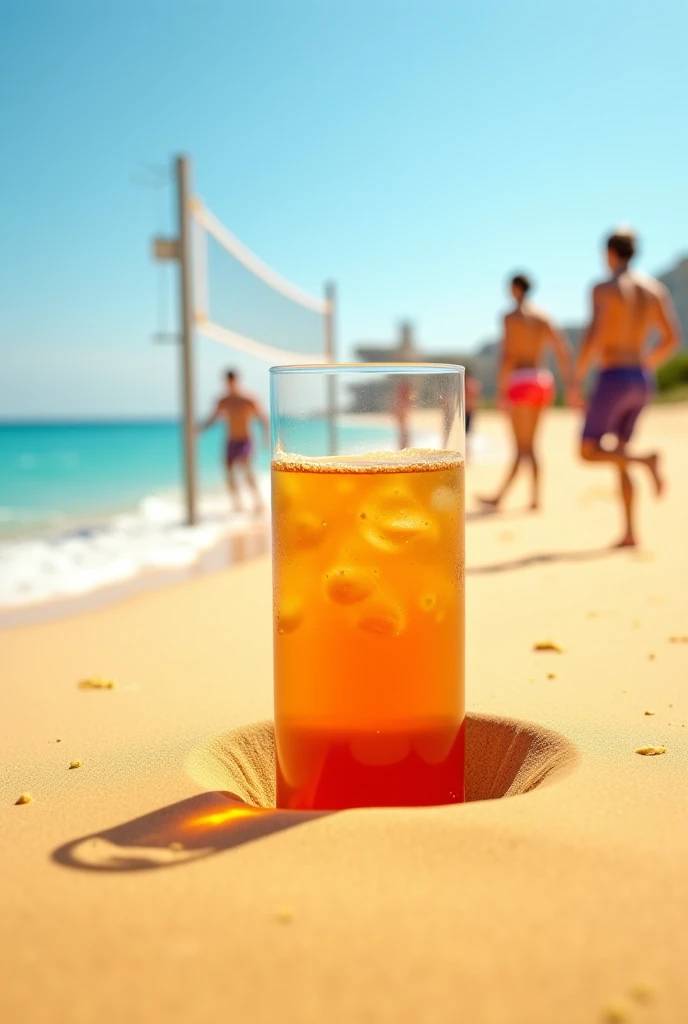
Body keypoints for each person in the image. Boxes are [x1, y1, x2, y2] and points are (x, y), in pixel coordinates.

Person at [575, 227, 681, 547]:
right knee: (618, 452)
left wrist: (576, 378)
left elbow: (593, 336)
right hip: (641, 380)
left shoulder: (604, 287)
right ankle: (630, 533)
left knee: (588, 451)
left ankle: (647, 461)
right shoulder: (654, 289)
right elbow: (672, 339)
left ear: (609, 253)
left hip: (613, 376)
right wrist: (646, 362)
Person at [479, 273, 574, 511]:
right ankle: (534, 499)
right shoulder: (543, 316)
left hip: (520, 382)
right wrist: (570, 382)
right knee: (531, 445)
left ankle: (501, 498)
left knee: (521, 447)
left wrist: (502, 390)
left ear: (515, 289)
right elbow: (562, 348)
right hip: (542, 381)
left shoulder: (511, 317)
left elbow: (508, 354)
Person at [198, 369, 269, 515]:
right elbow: (213, 418)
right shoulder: (223, 400)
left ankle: (258, 502)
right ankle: (238, 505)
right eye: (228, 382)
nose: (230, 385)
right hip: (230, 440)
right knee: (229, 473)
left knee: (247, 471)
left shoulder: (248, 399)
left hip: (245, 440)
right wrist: (200, 429)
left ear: (237, 381)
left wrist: (266, 438)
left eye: (232, 381)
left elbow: (263, 418)